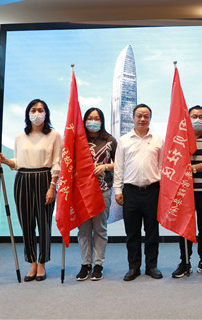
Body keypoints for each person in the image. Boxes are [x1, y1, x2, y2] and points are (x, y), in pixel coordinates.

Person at [0, 99, 61, 282]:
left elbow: (57, 162)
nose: (37, 113)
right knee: (26, 223)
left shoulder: (54, 135)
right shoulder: (19, 137)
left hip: (45, 179)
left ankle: (42, 263)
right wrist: (6, 161)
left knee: (44, 223)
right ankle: (32, 262)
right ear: (28, 113)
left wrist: (52, 186)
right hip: (23, 179)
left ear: (46, 114)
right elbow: (18, 162)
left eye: (41, 110)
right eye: (33, 110)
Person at [113, 104, 164, 281]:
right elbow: (119, 167)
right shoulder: (124, 140)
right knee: (132, 233)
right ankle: (133, 267)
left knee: (152, 232)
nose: (142, 119)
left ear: (150, 118)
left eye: (146, 116)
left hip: (152, 191)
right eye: (139, 116)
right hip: (130, 191)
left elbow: (162, 166)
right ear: (133, 118)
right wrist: (117, 190)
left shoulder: (158, 140)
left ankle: (151, 266)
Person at [172, 105, 202, 278]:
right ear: (187, 119)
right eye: (194, 116)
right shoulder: (180, 139)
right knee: (184, 228)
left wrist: (194, 168)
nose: (197, 120)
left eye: (201, 117)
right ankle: (185, 262)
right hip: (184, 191)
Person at [75, 108, 117, 281]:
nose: (93, 121)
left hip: (102, 190)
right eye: (90, 118)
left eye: (97, 118)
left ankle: (98, 264)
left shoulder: (110, 140)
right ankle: (85, 264)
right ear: (84, 120)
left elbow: (120, 163)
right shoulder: (77, 140)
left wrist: (105, 167)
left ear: (102, 121)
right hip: (81, 191)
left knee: (100, 228)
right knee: (83, 229)